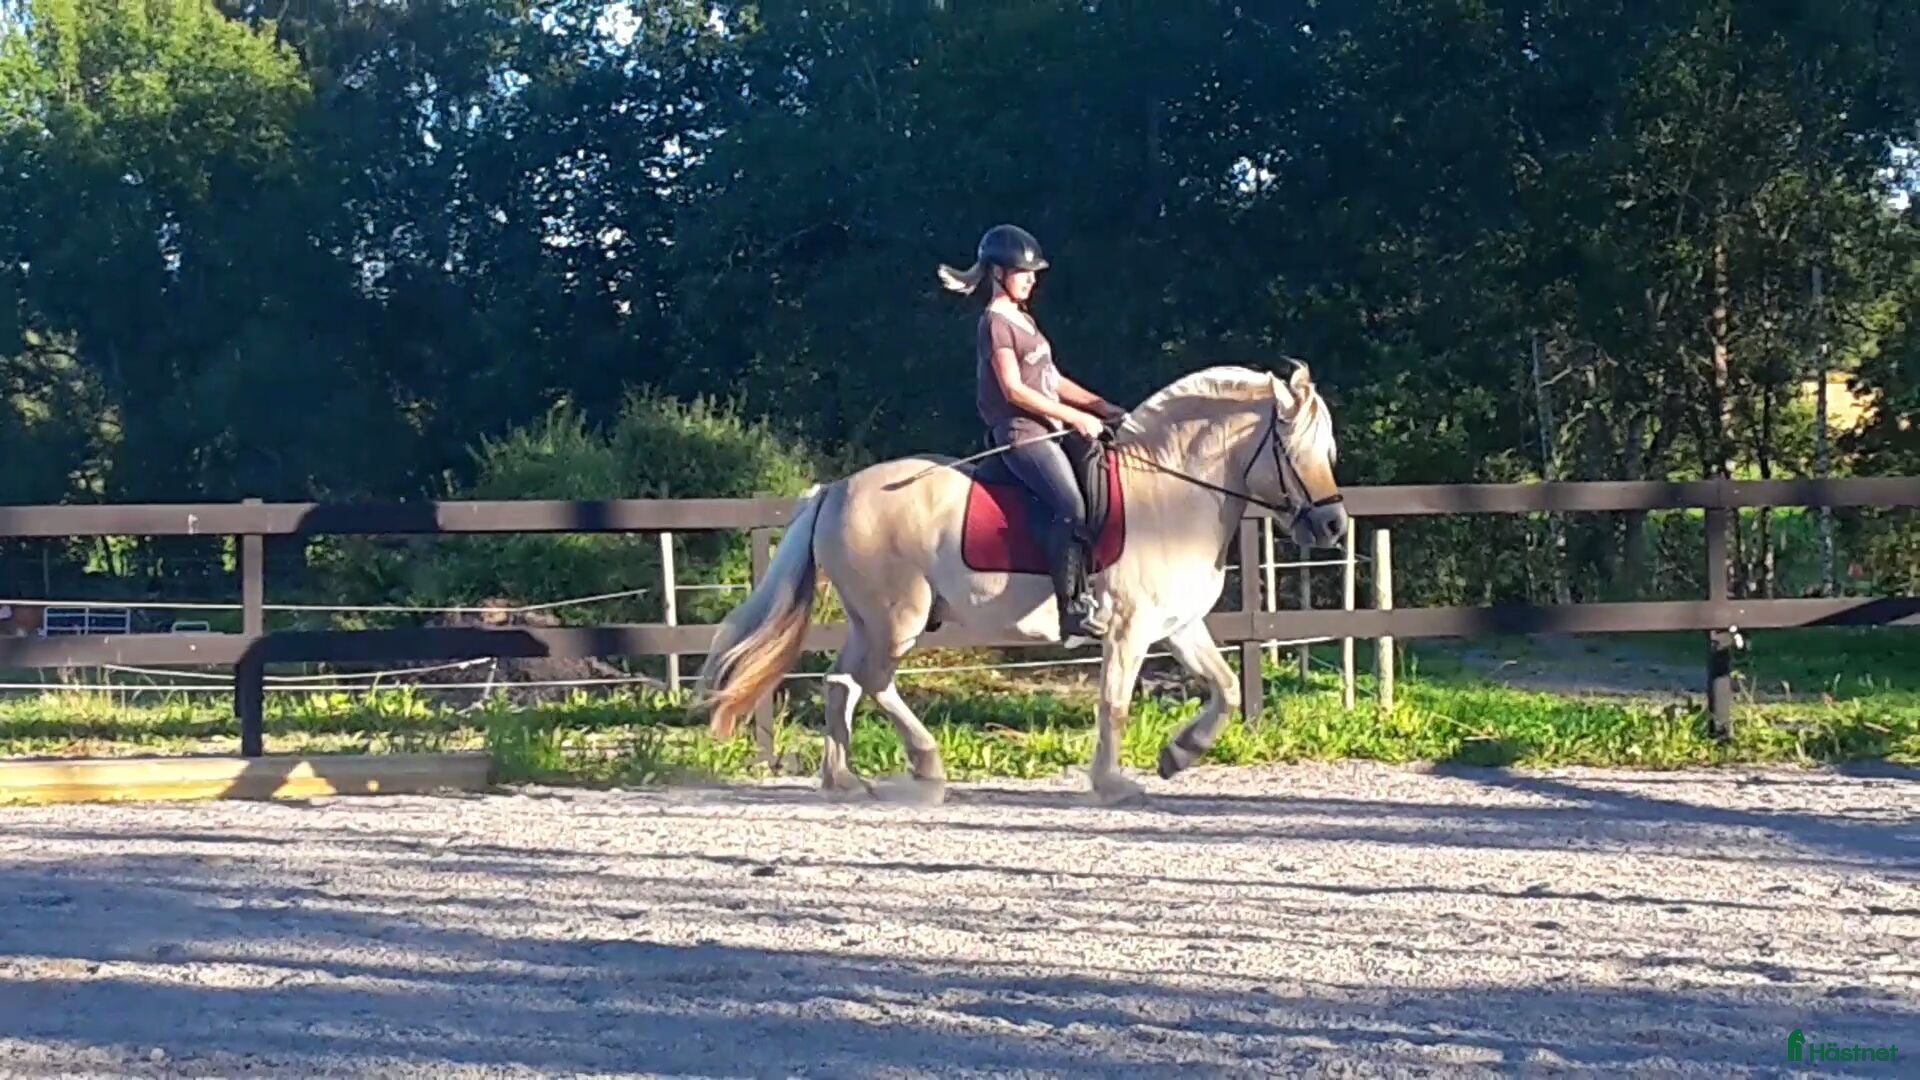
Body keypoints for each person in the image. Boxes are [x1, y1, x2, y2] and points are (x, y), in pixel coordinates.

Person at [937, 223, 1127, 641]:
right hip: (1021, 433)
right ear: (998, 274)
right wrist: (1073, 418)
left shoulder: (1024, 320)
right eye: (1024, 272)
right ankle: (1072, 608)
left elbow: (1051, 378)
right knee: (1070, 505)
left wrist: (1099, 406)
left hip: (1048, 429)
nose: (1033, 278)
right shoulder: (995, 323)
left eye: (1033, 272)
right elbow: (1014, 389)